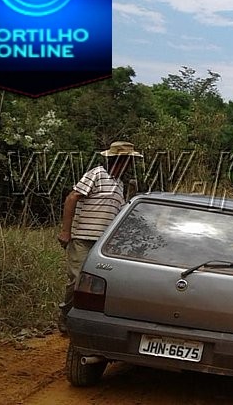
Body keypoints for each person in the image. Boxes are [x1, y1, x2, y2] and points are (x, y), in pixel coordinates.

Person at [57, 141, 142, 333]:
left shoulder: (120, 184)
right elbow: (72, 198)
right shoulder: (96, 174)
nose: (130, 165)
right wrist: (66, 230)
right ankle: (66, 315)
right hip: (82, 238)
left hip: (102, 245)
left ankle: (84, 320)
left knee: (97, 284)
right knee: (77, 280)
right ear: (118, 160)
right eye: (128, 161)